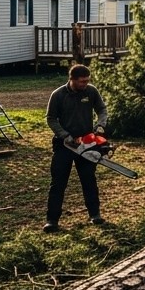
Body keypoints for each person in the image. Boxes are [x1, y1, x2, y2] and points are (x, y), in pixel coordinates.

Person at [44, 64, 109, 232]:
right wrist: (65, 135)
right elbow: (51, 118)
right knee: (58, 183)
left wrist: (100, 125)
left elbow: (101, 109)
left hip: (87, 144)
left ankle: (95, 214)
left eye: (87, 81)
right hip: (64, 145)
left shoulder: (91, 91)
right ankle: (52, 220)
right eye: (81, 82)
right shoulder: (58, 95)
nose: (84, 84)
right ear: (71, 79)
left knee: (89, 179)